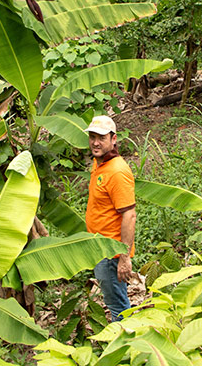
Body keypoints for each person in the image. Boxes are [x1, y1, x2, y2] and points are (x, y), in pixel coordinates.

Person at [84, 115, 136, 321]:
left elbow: (129, 215)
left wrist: (124, 258)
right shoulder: (99, 164)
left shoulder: (116, 171)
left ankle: (127, 348)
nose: (96, 142)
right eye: (92, 137)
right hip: (100, 248)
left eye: (101, 138)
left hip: (112, 254)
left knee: (118, 306)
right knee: (116, 301)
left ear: (113, 139)